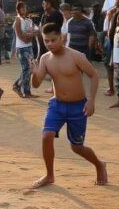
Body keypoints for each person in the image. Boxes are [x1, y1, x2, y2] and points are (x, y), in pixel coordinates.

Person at [29, 23, 108, 188]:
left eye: (53, 40)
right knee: (46, 136)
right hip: (56, 105)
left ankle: (99, 164)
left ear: (62, 38)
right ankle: (49, 175)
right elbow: (36, 85)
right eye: (46, 41)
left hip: (77, 106)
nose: (50, 44)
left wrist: (91, 100)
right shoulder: (45, 59)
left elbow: (93, 76)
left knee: (77, 147)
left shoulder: (76, 56)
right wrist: (34, 74)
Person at [12, 2, 37, 98]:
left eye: (24, 7)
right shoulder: (18, 20)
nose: (23, 9)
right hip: (22, 48)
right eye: (21, 8)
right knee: (26, 69)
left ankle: (27, 91)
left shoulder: (27, 20)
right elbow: (22, 36)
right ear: (18, 10)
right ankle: (17, 85)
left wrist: (30, 34)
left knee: (29, 69)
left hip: (28, 47)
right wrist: (31, 34)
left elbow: (37, 31)